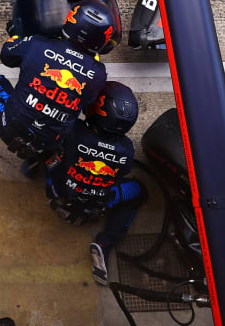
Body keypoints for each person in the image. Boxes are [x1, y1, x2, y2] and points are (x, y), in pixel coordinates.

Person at [0, 0, 120, 161]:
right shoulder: (99, 74)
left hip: (11, 127)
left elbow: (7, 55)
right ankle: (48, 159)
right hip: (49, 141)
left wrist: (17, 35)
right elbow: (88, 99)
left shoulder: (38, 44)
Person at [42, 82, 147, 287]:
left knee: (51, 148)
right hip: (100, 202)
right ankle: (105, 242)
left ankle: (31, 166)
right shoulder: (126, 150)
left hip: (60, 190)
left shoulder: (75, 129)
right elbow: (122, 172)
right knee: (139, 191)